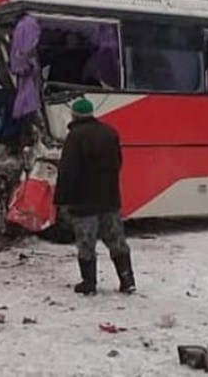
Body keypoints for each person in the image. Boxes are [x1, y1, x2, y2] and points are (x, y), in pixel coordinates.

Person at [53, 98, 136, 295]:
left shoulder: (75, 136)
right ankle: (127, 280)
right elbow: (118, 163)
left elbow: (68, 171)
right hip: (109, 198)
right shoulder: (110, 132)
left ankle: (88, 283)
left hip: (84, 201)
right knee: (116, 240)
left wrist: (61, 200)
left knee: (86, 242)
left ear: (74, 115)